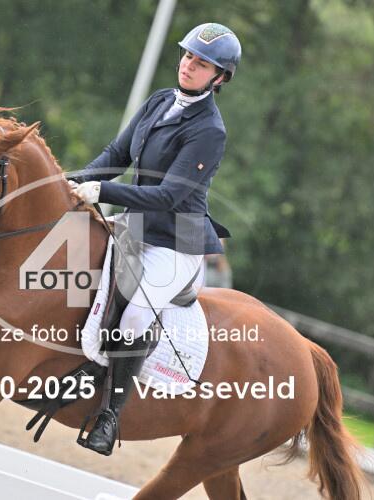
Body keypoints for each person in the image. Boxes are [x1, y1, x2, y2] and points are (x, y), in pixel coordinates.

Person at [69, 22, 242, 456]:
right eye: (188, 56)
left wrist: (102, 191)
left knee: (134, 316)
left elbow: (167, 196)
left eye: (202, 64)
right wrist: (73, 180)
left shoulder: (210, 130)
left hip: (177, 239)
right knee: (82, 274)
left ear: (219, 78)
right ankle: (87, 363)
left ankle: (110, 416)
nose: (189, 65)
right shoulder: (160, 101)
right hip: (137, 225)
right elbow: (116, 155)